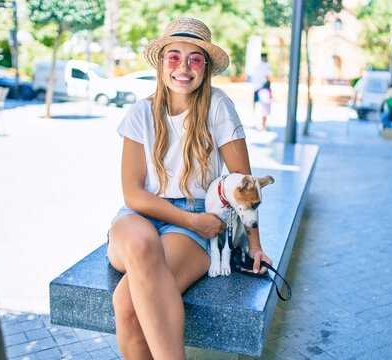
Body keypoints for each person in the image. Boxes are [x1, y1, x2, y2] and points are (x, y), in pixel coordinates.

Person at [107, 17, 272, 360]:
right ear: (161, 63)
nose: (183, 67)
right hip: (141, 214)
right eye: (174, 57)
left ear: (206, 67)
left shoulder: (218, 106)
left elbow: (244, 183)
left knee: (127, 303)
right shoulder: (140, 113)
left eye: (195, 58)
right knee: (140, 242)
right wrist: (189, 221)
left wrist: (254, 245)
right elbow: (133, 194)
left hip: (198, 216)